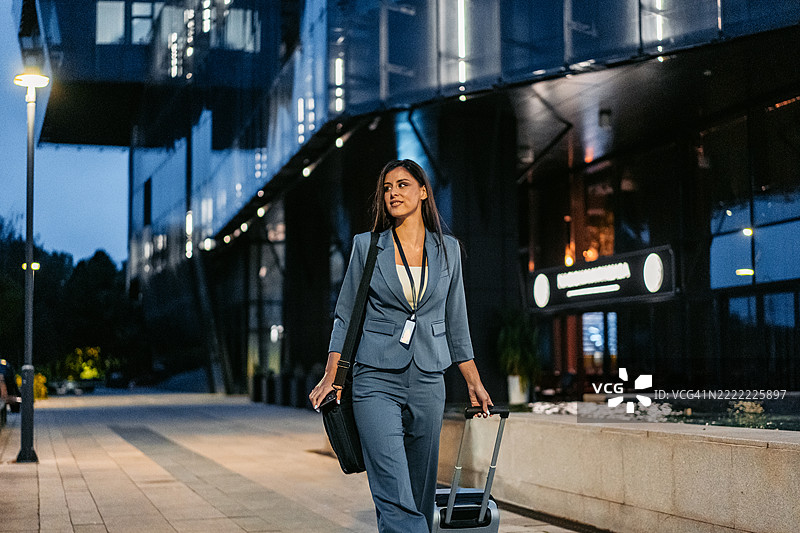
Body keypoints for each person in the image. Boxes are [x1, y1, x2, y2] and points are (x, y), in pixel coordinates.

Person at [309, 159, 493, 533]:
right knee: (392, 488)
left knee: (420, 494)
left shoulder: (449, 251)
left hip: (429, 380)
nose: (393, 193)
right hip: (375, 378)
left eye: (403, 185)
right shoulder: (368, 246)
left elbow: (456, 319)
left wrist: (473, 380)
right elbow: (345, 315)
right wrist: (333, 375)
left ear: (423, 192)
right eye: (387, 187)